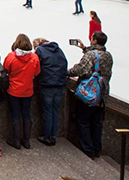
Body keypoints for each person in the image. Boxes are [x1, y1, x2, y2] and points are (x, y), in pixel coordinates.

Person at [68, 31, 113, 159]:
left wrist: (66, 72)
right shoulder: (108, 55)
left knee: (83, 120)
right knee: (97, 122)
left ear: (94, 41)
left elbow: (80, 69)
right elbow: (97, 58)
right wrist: (84, 48)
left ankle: (88, 149)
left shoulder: (90, 55)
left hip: (88, 93)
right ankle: (97, 148)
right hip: (101, 93)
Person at [3, 34, 40, 150]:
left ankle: (16, 140)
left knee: (15, 116)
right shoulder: (34, 58)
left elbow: (6, 69)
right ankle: (27, 141)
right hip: (28, 91)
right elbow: (37, 72)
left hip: (13, 91)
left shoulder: (11, 57)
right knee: (26, 115)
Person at [32, 38, 68, 146]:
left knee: (48, 111)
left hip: (47, 85)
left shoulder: (40, 50)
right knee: (55, 111)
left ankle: (47, 137)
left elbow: (36, 66)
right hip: (60, 85)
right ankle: (53, 136)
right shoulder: (59, 50)